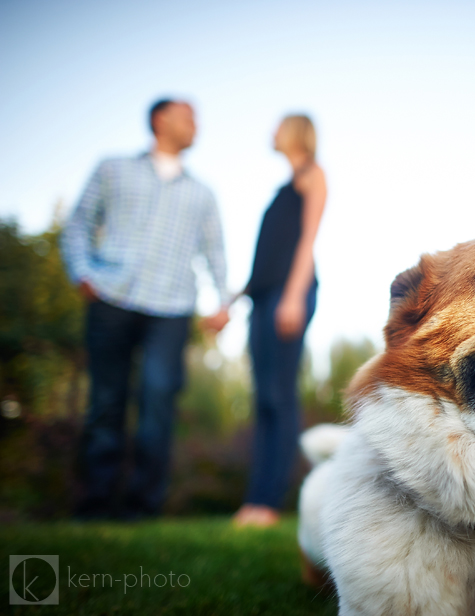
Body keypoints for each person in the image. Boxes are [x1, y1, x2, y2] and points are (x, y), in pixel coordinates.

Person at [61, 98, 231, 520]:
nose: (197, 125)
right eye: (189, 116)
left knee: (158, 400)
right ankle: (95, 504)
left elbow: (216, 253)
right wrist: (83, 273)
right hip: (111, 298)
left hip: (171, 309)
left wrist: (223, 303)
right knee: (106, 402)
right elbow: (79, 223)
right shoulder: (112, 168)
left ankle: (142, 508)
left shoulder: (202, 193)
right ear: (160, 120)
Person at [232, 114, 327, 527]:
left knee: (280, 396)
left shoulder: (312, 174)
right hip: (263, 296)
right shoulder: (281, 189)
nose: (270, 133)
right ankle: (254, 501)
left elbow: (308, 240)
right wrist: (232, 301)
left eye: (277, 126)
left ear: (294, 132)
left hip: (290, 293)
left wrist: (292, 296)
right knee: (263, 401)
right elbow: (264, 260)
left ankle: (268, 503)